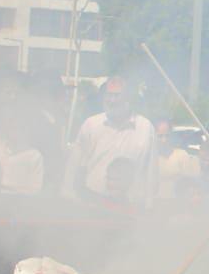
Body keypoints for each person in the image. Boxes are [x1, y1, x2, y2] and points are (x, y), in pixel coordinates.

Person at [62, 76, 158, 207]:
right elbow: (73, 167)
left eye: (117, 95)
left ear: (128, 98)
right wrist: (68, 198)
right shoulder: (91, 125)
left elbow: (151, 174)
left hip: (130, 209)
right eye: (108, 95)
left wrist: (149, 207)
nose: (111, 100)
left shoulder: (146, 128)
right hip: (92, 206)